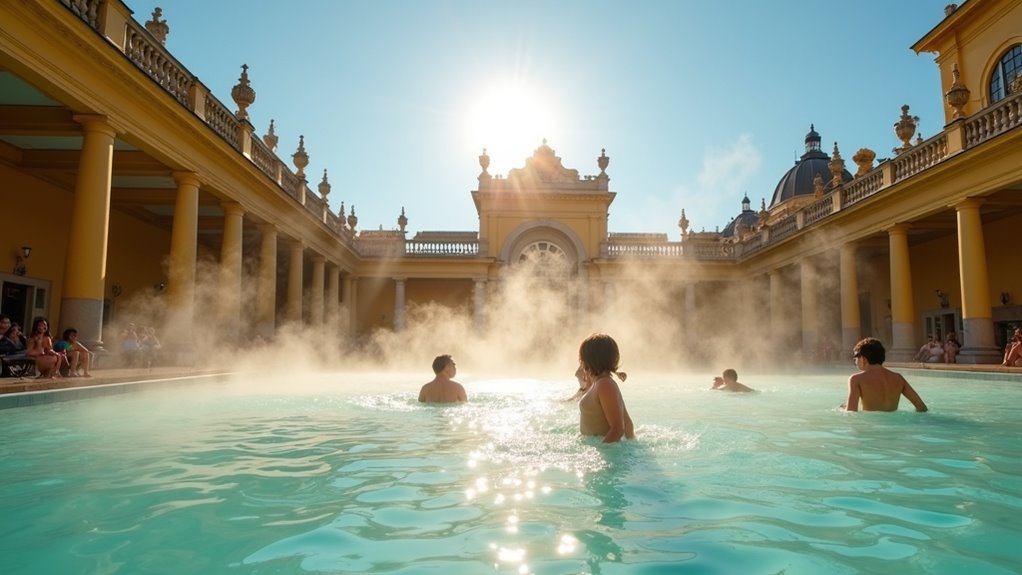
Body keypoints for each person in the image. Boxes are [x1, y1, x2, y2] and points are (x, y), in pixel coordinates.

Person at [577, 333, 635, 443]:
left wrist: (599, 453)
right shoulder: (599, 383)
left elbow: (618, 429)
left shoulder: (605, 384)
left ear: (588, 359)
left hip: (610, 453)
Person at [844, 337, 928, 412]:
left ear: (863, 359)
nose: (855, 362)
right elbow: (922, 408)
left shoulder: (856, 379)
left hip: (872, 426)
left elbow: (851, 411)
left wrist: (842, 409)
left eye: (855, 359)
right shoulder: (898, 378)